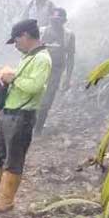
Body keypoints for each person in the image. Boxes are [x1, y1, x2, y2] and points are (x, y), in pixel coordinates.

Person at [0, 19, 52, 212]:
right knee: (1, 156)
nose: (15, 45)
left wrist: (13, 78)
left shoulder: (42, 59)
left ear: (25, 35)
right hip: (9, 113)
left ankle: (6, 199)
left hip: (22, 116)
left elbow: (34, 87)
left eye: (16, 40)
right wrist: (1, 81)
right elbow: (20, 84)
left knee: (13, 158)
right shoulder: (29, 57)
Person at [36, 7, 76, 135]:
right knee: (33, 97)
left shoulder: (68, 35)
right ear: (50, 19)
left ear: (64, 21)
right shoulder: (41, 32)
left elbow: (70, 57)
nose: (55, 22)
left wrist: (68, 78)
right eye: (53, 19)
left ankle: (38, 129)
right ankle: (30, 126)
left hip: (55, 72)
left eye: (58, 19)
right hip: (38, 70)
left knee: (47, 100)